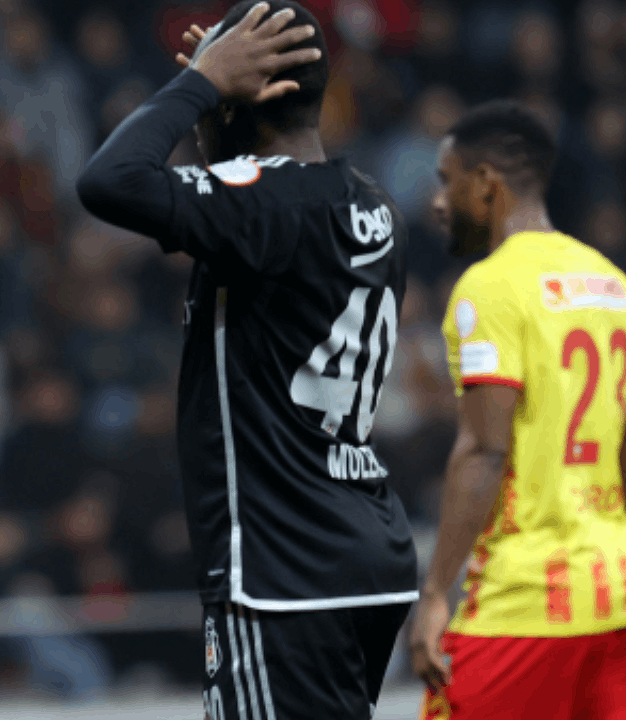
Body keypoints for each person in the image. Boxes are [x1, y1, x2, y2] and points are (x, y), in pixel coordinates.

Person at [76, 2, 418, 718]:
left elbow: (109, 180)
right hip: (364, 550)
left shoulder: (269, 206)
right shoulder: (372, 203)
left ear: (244, 96)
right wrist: (219, 105)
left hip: (282, 565)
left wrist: (198, 86)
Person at [410, 101, 626, 720]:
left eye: (447, 181)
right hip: (613, 596)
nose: (438, 202)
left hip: (523, 602)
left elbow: (485, 450)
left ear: (485, 183)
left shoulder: (491, 286)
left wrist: (434, 594)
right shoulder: (610, 282)